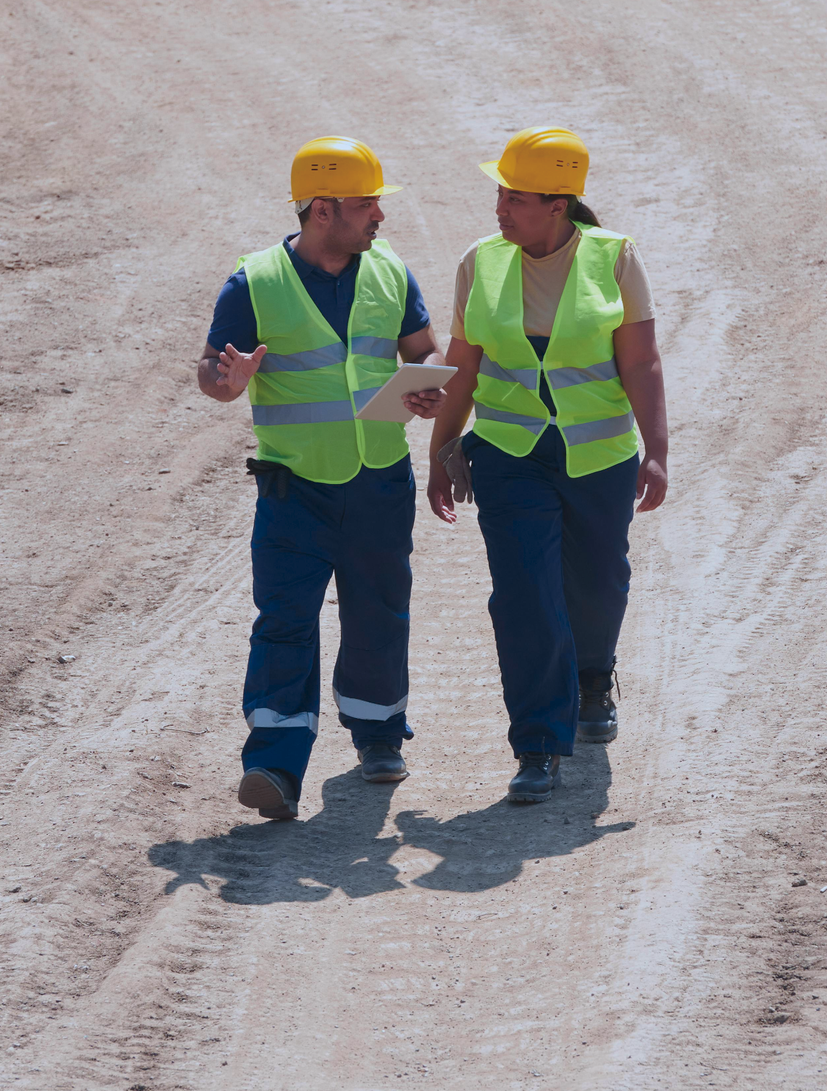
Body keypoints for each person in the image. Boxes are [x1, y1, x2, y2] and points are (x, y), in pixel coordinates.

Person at [197, 136, 445, 822]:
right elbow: (210, 373)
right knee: (284, 621)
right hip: (294, 489)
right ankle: (274, 764)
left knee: (379, 613)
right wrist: (228, 381)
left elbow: (424, 351)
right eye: (368, 204)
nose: (379, 216)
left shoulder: (391, 273)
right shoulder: (255, 282)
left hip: (378, 483)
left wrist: (429, 389)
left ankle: (379, 734)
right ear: (323, 210)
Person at [423, 127, 669, 804]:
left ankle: (594, 678)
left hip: (598, 457)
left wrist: (658, 452)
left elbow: (641, 362)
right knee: (524, 594)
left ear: (558, 205)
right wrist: (442, 449)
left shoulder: (614, 260)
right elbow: (464, 364)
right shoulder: (481, 262)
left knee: (598, 582)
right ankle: (536, 744)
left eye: (517, 197)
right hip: (507, 455)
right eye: (500, 193)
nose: (500, 207)